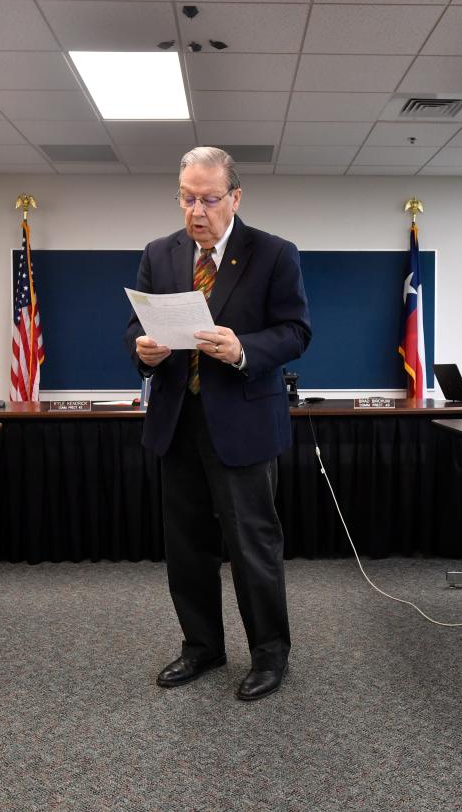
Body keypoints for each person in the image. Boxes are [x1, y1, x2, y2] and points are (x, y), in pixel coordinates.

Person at [126, 147, 311, 701]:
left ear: (235, 196)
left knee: (252, 544)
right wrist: (142, 352)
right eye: (187, 198)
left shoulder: (275, 253)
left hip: (243, 425)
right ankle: (201, 647)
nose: (196, 210)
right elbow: (134, 325)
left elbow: (297, 331)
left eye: (208, 198)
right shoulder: (160, 254)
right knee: (186, 547)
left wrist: (242, 348)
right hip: (177, 422)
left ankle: (270, 656)